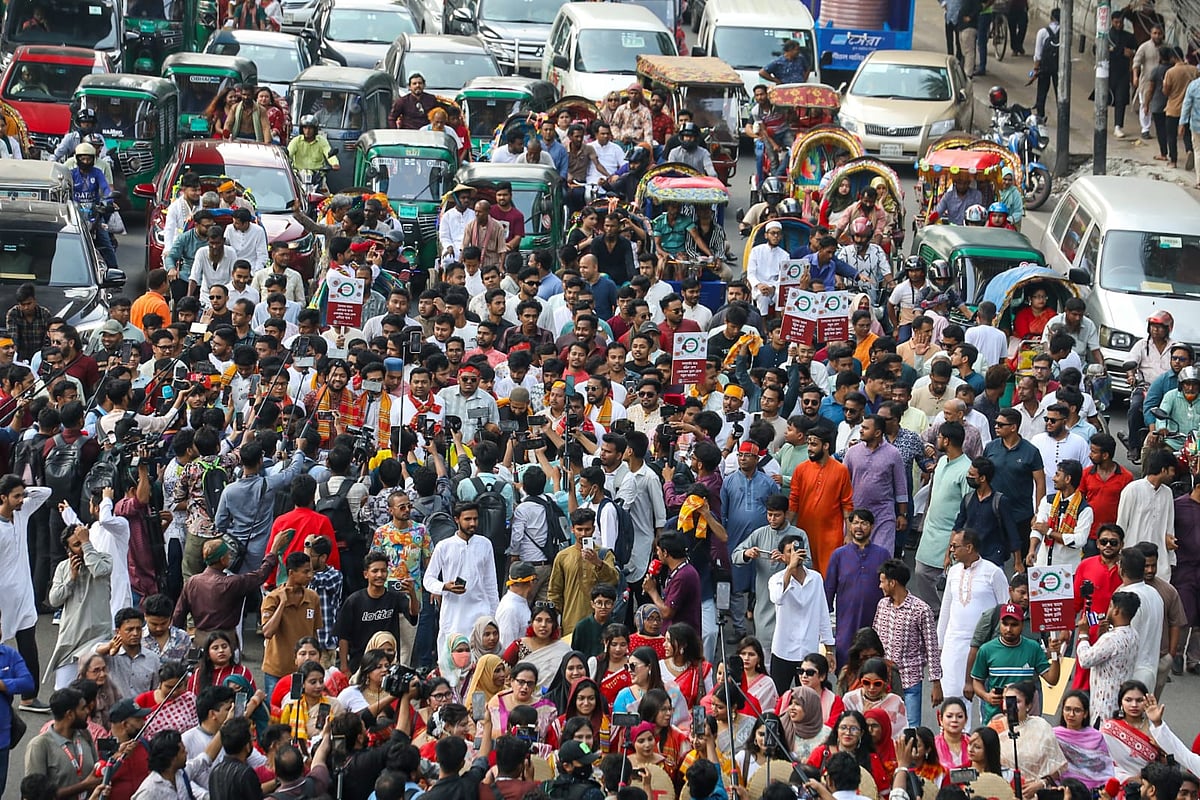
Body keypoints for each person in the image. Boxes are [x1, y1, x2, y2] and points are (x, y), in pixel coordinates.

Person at [874, 559, 941, 729]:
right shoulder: (882, 605)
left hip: (910, 680)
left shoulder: (921, 610)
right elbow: (874, 639)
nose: (880, 586)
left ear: (893, 583)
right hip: (884, 680)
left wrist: (936, 683)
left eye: (882, 581)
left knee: (911, 728)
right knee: (884, 727)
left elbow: (932, 648)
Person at [24, 688, 99, 799]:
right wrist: (84, 785)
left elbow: (96, 771)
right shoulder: (39, 745)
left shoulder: (84, 734)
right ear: (70, 714)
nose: (88, 712)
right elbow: (36, 795)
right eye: (83, 708)